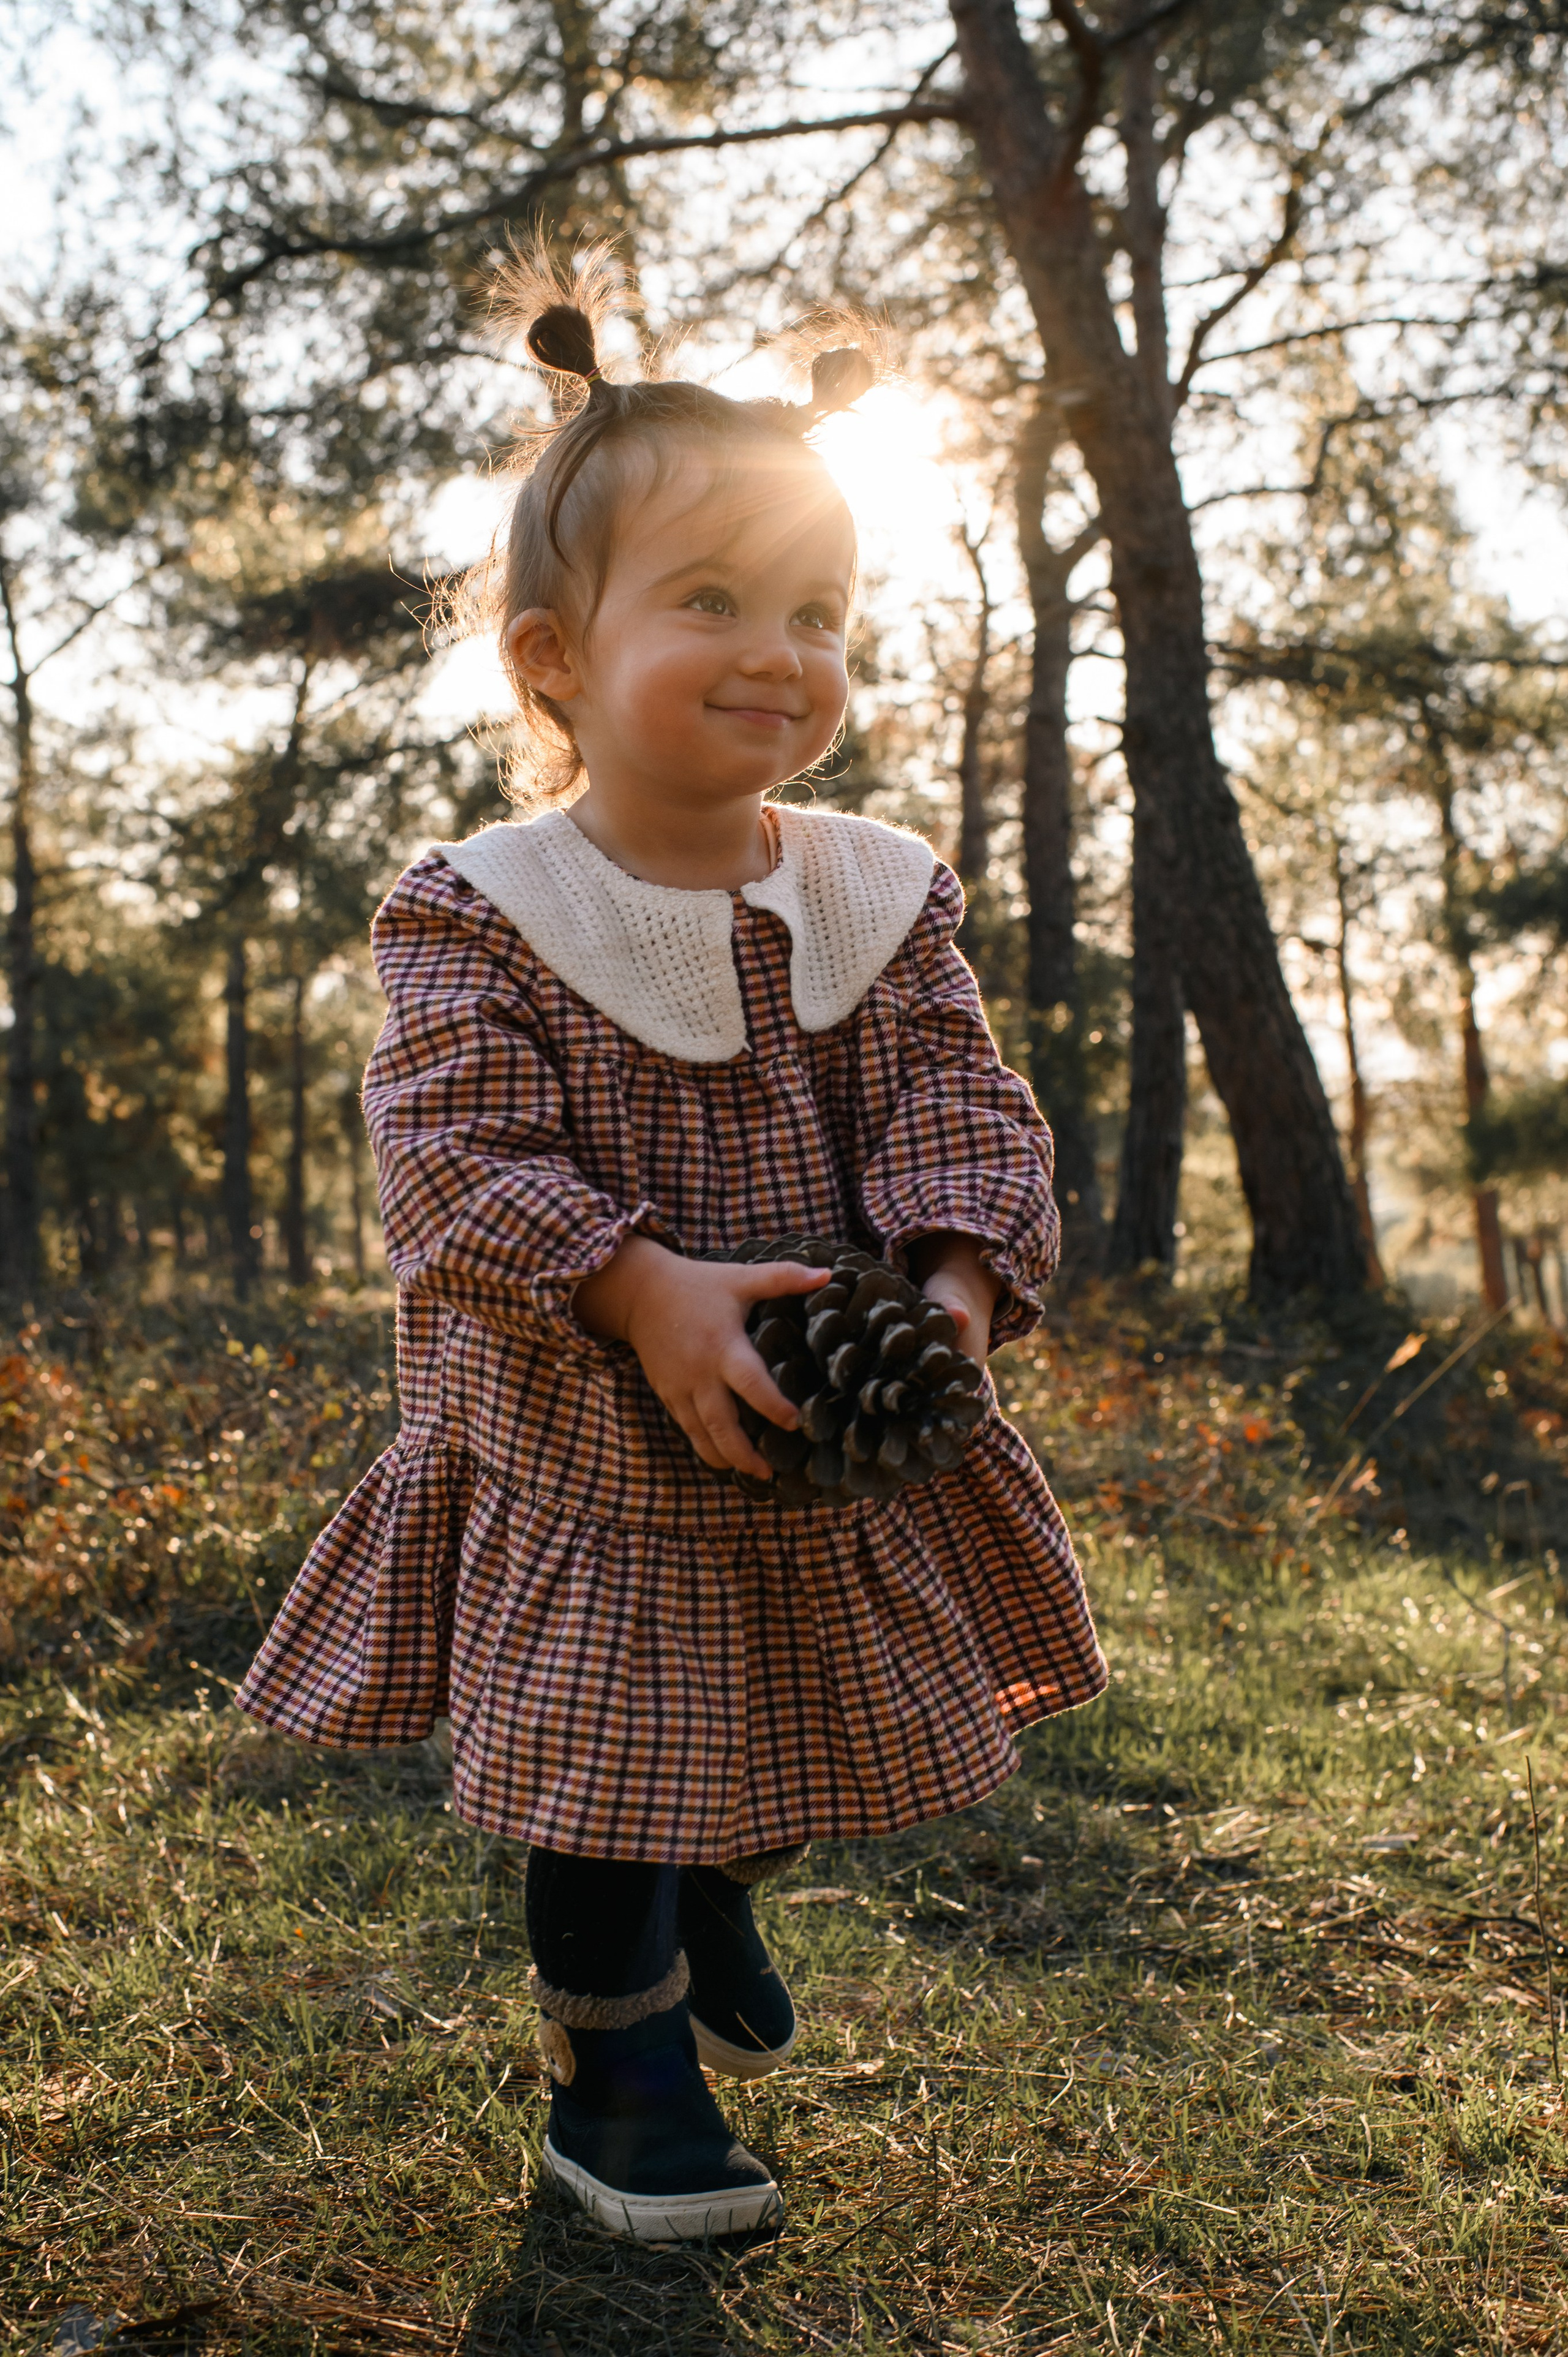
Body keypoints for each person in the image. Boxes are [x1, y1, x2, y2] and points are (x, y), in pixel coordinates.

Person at [236, 247, 1106, 2246]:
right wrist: (641, 1288)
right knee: (602, 1777)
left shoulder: (881, 895)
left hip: (812, 1414)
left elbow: (963, 1110)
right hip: (586, 1432)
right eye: (708, 601)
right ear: (553, 655)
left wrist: (953, 1292)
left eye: (819, 610)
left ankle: (726, 1870)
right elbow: (450, 1157)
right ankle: (619, 2086)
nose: (777, 650)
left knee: (782, 1723)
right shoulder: (482, 909)